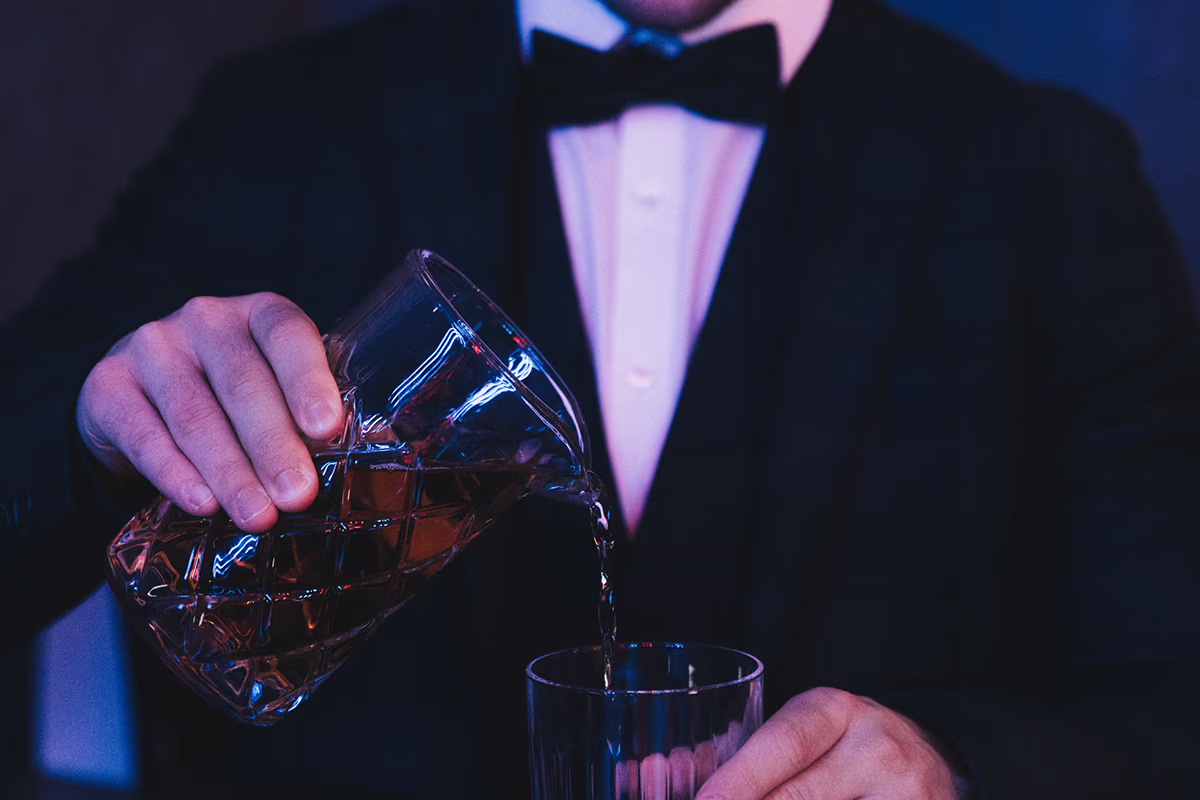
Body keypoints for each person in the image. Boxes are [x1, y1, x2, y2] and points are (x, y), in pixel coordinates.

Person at [2, 0, 1198, 796]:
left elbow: (1168, 704)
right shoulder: (270, 125)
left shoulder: (1048, 175)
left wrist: (960, 765)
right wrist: (97, 425)